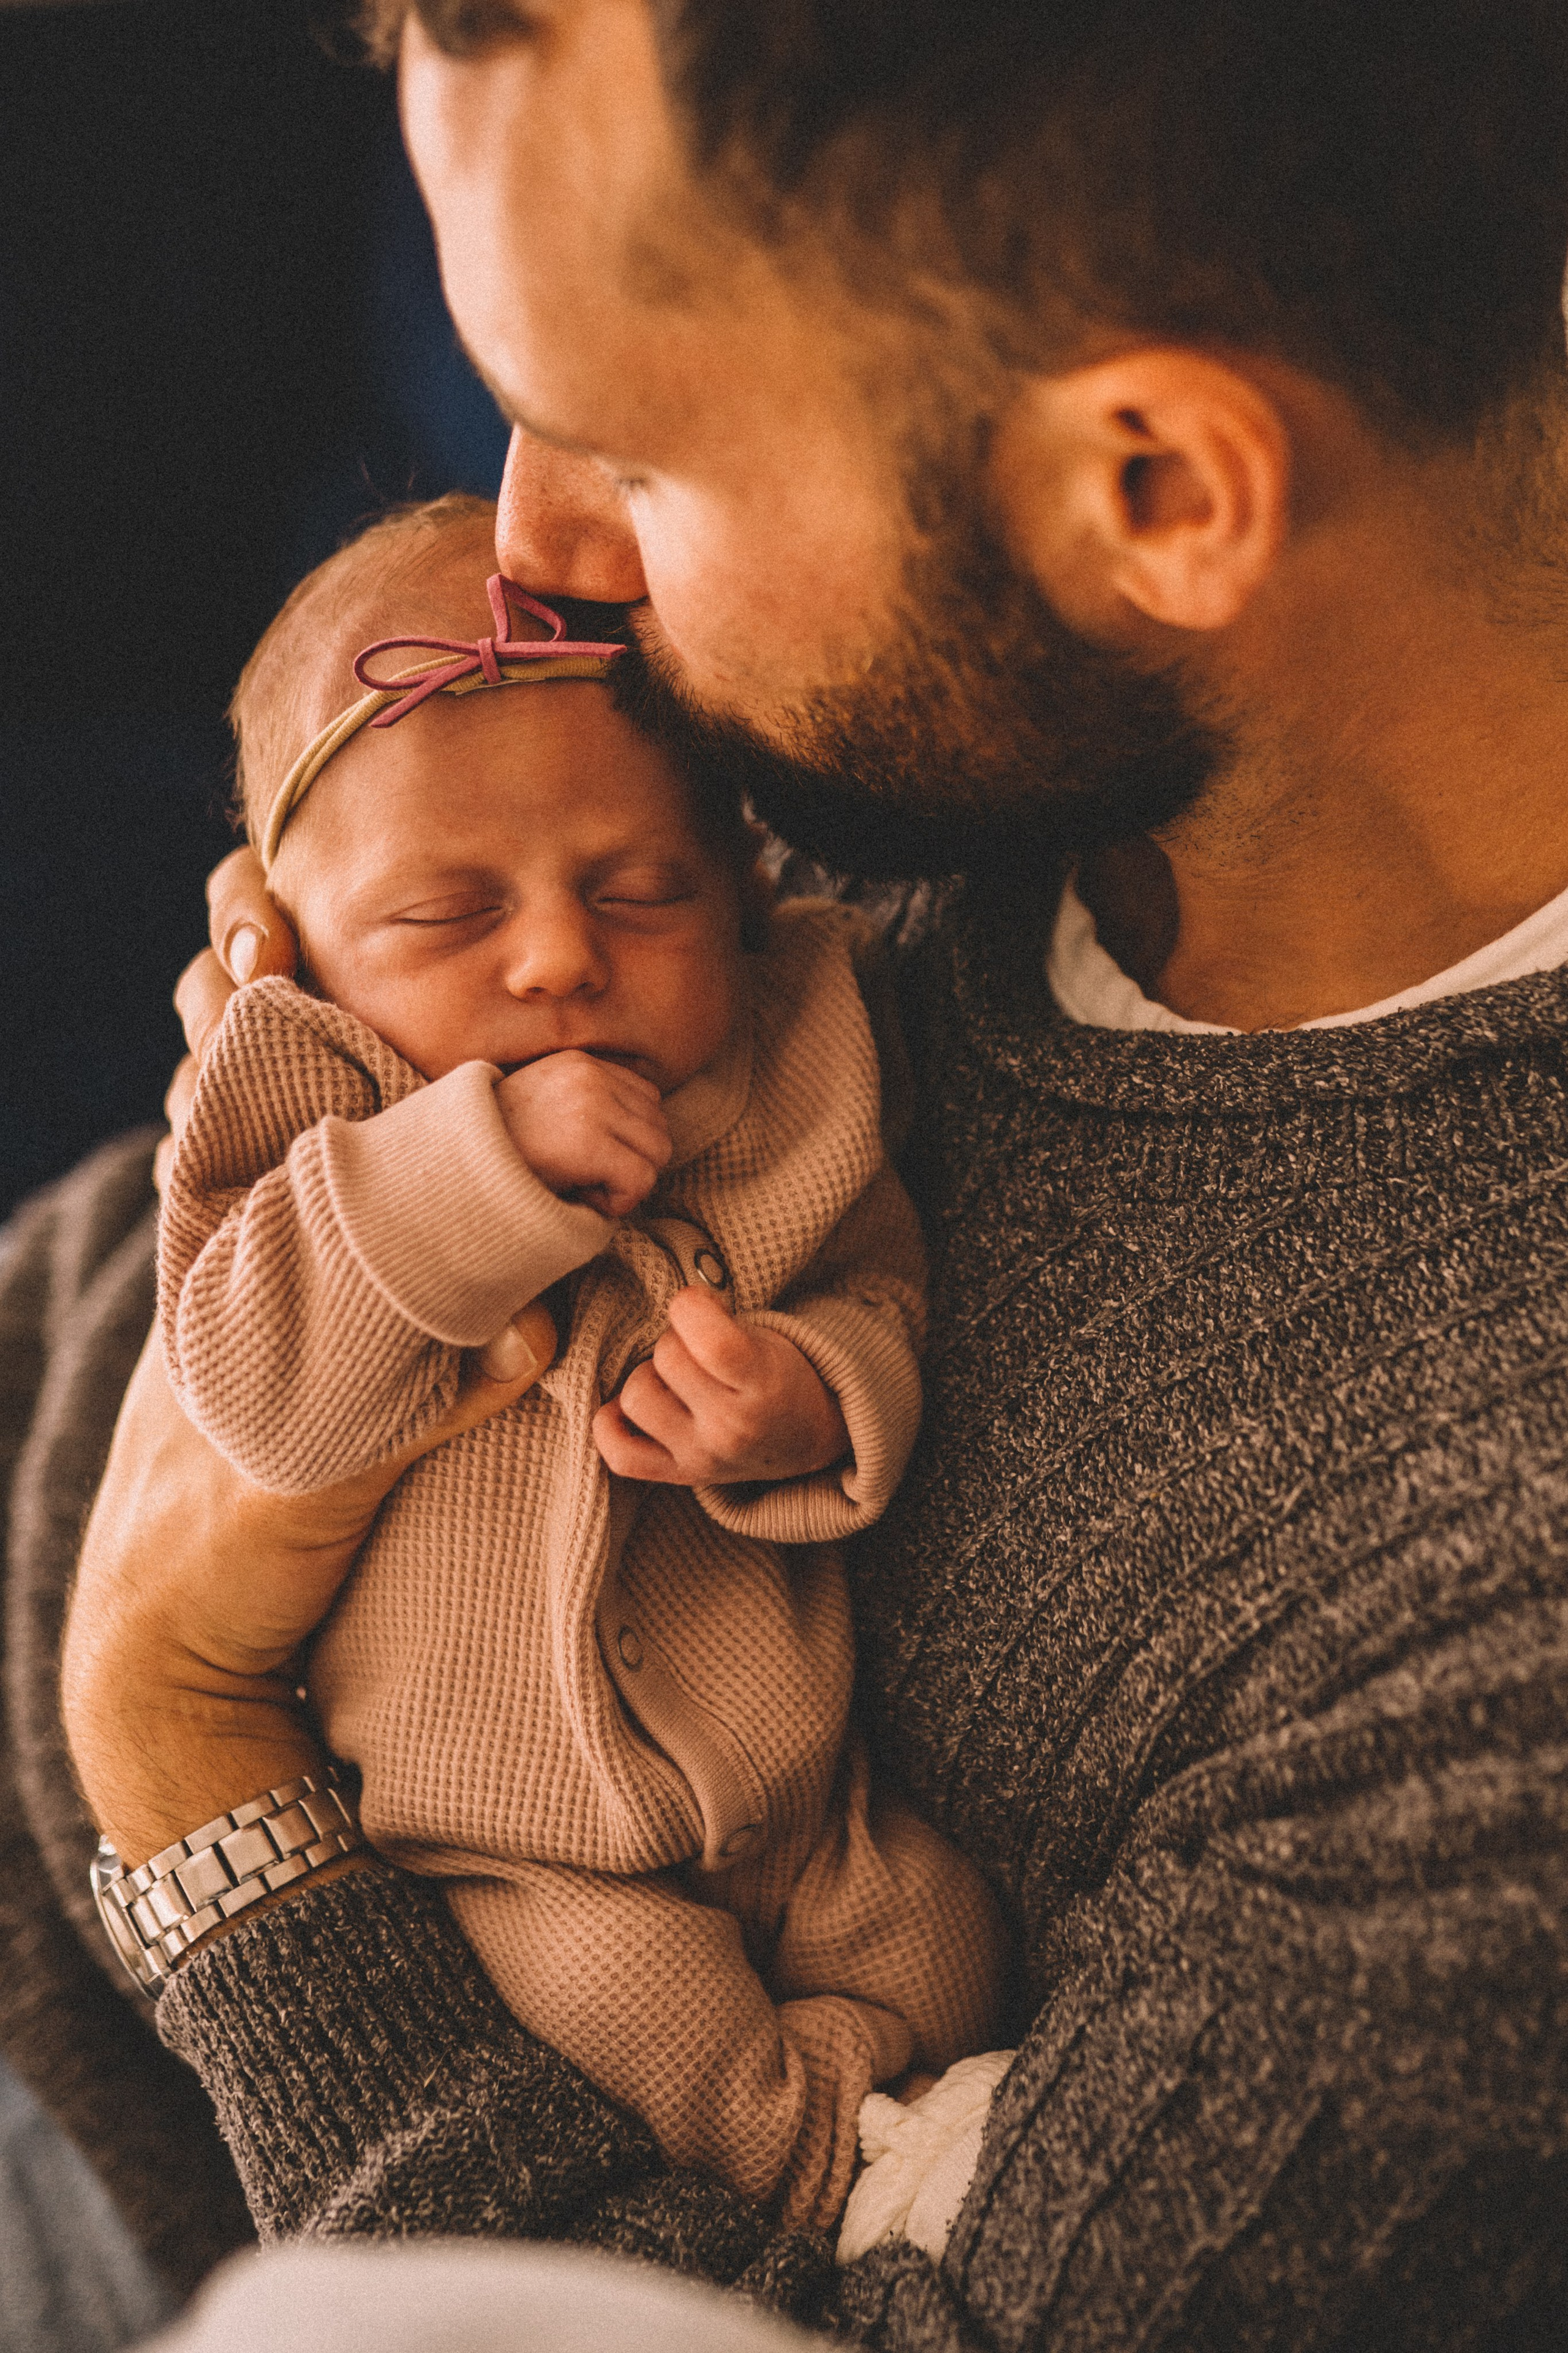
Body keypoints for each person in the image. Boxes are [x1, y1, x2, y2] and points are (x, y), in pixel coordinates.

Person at [21, 0, 1568, 2344]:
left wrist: (179, 1745)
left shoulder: (1489, 1650)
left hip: (155, 2104)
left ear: (1159, 496)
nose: (527, 565)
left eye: (633, 451)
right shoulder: (961, 722)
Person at [157, 491, 1002, 2232]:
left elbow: (884, 1282)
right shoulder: (307, 1098)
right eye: (445, 915)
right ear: (284, 940)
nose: (558, 957)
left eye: (638, 891)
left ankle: (907, 2098)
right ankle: (839, 2167)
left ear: (745, 889)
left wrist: (813, 1399)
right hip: (514, 1850)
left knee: (948, 1936)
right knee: (636, 2018)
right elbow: (254, 1388)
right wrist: (476, 1163)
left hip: (807, 1791)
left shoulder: (805, 1050)